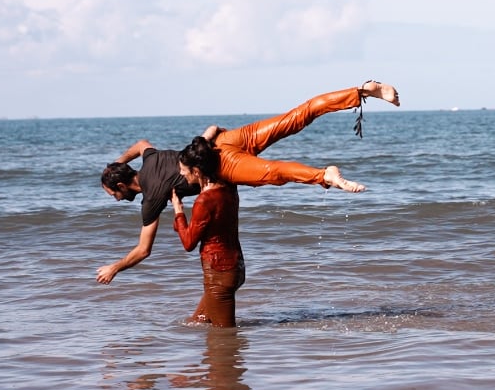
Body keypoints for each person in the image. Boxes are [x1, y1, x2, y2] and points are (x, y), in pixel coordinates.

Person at [96, 80, 399, 285]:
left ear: (122, 187)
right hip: (225, 139)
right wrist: (118, 163)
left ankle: (325, 175)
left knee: (275, 173)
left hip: (224, 166)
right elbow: (140, 144)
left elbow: (143, 250)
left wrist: (115, 267)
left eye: (113, 194)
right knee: (297, 116)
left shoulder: (151, 199)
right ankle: (361, 91)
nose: (115, 199)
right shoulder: (149, 159)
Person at [171, 136, 243, 327]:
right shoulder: (229, 187)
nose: (181, 173)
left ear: (196, 171)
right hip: (236, 267)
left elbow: (188, 243)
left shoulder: (204, 201)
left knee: (223, 337)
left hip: (218, 273)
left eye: (184, 170)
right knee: (197, 322)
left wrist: (178, 212)